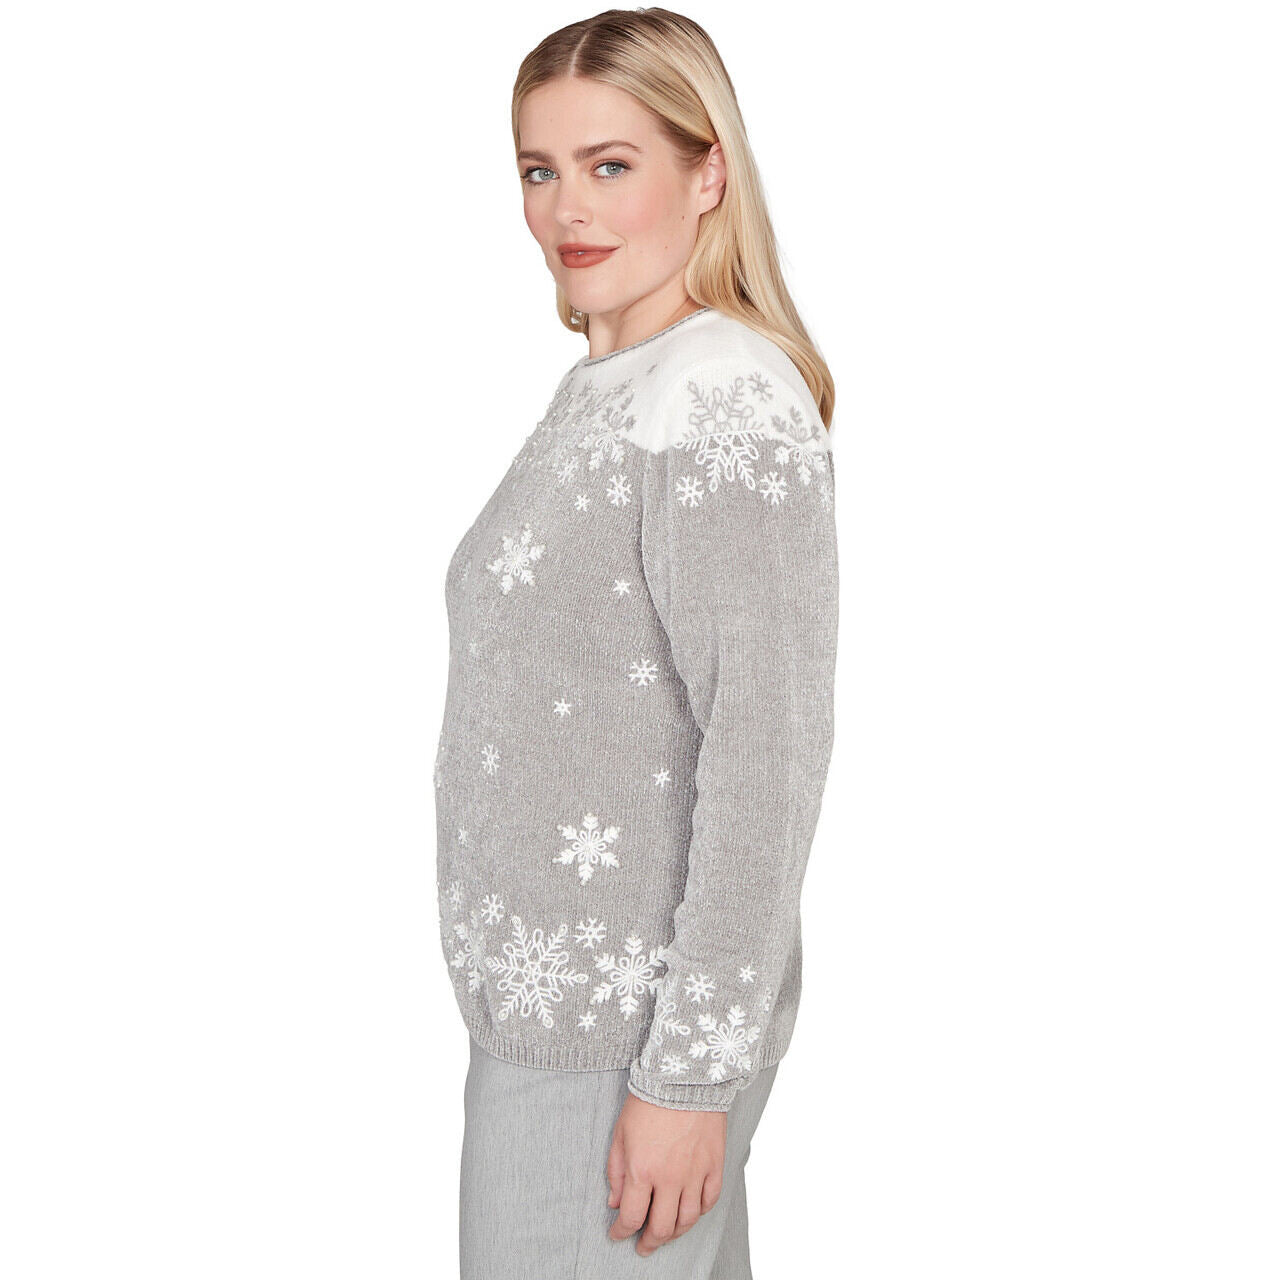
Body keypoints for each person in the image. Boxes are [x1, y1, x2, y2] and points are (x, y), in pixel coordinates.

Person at [433, 9, 839, 1275]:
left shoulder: (716, 394)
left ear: (706, 172)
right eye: (539, 169)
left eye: (610, 165)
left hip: (621, 1046)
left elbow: (765, 750)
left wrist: (686, 1074)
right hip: (565, 1030)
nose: (567, 209)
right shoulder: (621, 383)